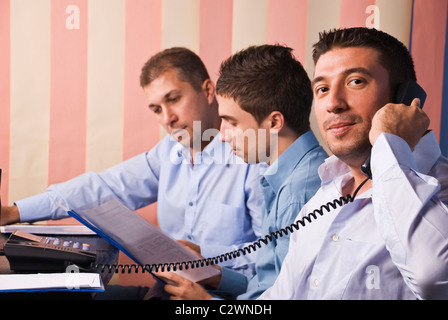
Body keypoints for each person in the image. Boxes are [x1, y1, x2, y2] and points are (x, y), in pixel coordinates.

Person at [0, 47, 266, 280]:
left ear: (208, 90)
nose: (167, 119)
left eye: (173, 99)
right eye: (156, 109)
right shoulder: (169, 152)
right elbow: (103, 188)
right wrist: (13, 212)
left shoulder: (253, 157)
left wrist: (206, 255)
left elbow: (277, 255)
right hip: (167, 291)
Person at [259, 27, 448, 300]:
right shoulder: (324, 196)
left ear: (402, 98)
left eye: (356, 82)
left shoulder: (440, 187)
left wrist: (390, 144)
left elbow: (432, 278)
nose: (333, 103)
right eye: (322, 89)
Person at [154, 44, 328, 300]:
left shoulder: (297, 193)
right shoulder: (285, 176)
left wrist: (203, 301)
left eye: (231, 122)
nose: (222, 136)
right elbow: (269, 284)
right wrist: (214, 274)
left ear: (274, 122)